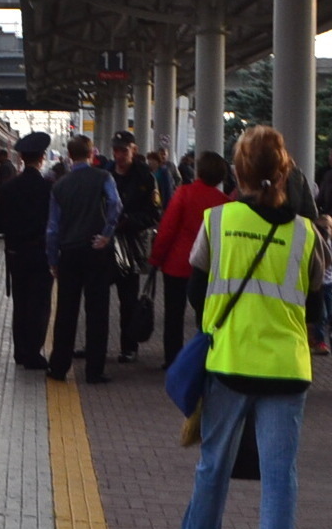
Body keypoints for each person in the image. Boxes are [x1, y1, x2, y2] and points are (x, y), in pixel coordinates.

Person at [180, 125, 325, 529]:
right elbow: (316, 302)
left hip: (230, 364)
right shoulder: (307, 234)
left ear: (237, 173)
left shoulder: (216, 222)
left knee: (214, 461)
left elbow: (196, 293)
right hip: (287, 369)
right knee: (279, 479)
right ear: (285, 173)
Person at [46, 135, 122, 384]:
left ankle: (58, 367)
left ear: (69, 155)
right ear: (92, 154)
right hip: (96, 250)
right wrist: (106, 234)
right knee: (97, 311)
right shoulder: (103, 177)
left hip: (69, 252)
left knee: (66, 311)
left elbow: (52, 228)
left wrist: (53, 259)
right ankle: (94, 370)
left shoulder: (60, 185)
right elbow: (115, 204)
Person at [150, 150, 229, 367]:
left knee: (173, 315)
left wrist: (156, 258)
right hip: (209, 268)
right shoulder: (224, 202)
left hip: (176, 264)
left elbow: (167, 228)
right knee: (205, 315)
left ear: (199, 171)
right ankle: (205, 357)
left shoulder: (184, 193)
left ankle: (172, 359)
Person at [0, 132, 54, 370]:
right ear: (41, 158)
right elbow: (55, 224)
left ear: (21, 157)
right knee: (39, 305)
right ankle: (33, 353)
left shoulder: (8, 189)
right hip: (40, 254)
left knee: (21, 304)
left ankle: (19, 352)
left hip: (16, 255)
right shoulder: (49, 189)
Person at [107, 130, 161, 362]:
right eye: (116, 150)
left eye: (124, 150)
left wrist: (130, 222)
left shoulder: (145, 178)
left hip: (130, 246)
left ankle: (128, 347)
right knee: (96, 298)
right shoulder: (105, 174)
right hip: (106, 245)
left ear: (134, 150)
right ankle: (94, 345)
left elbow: (154, 214)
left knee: (128, 299)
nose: (119, 155)